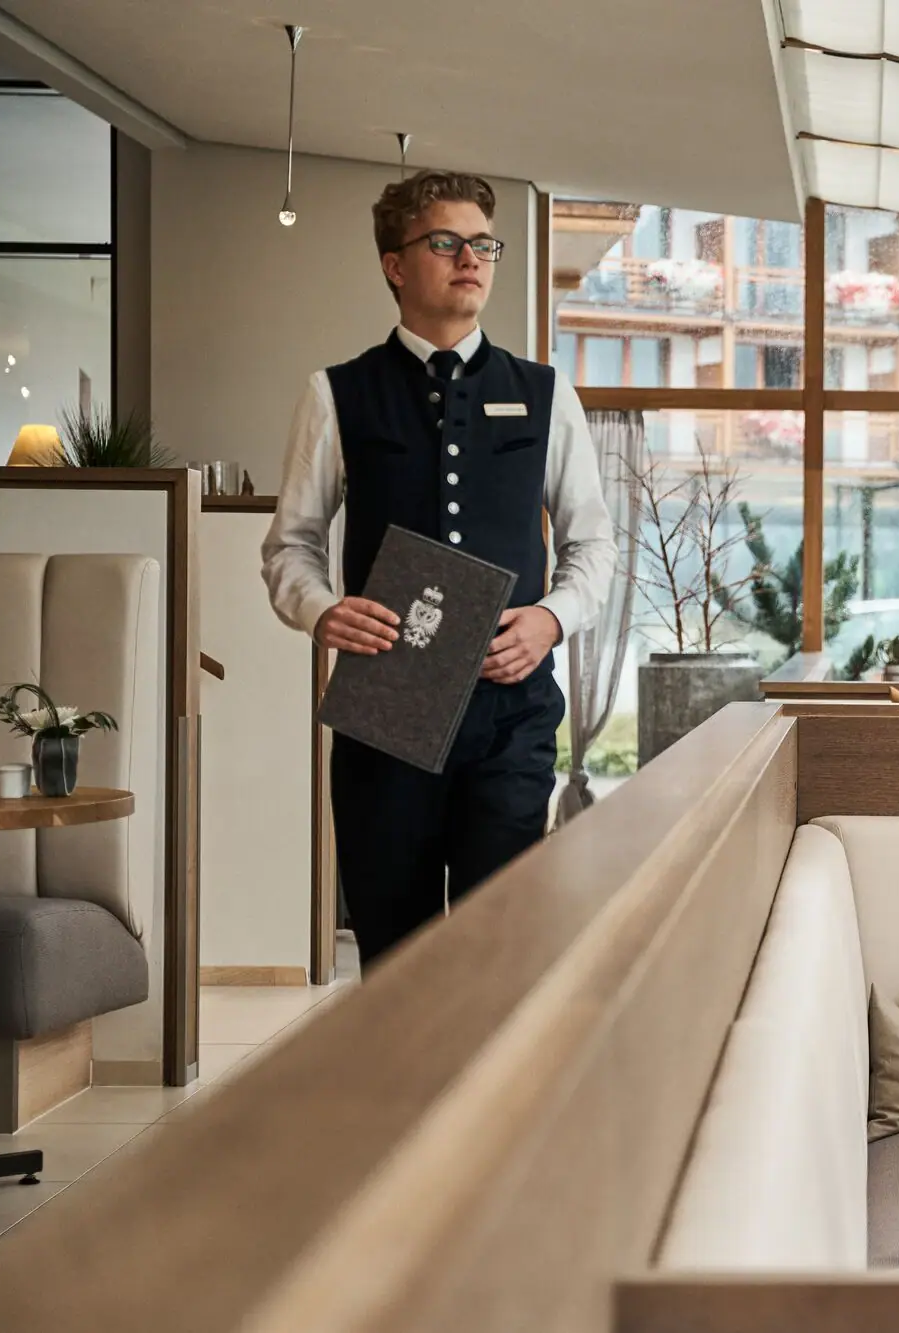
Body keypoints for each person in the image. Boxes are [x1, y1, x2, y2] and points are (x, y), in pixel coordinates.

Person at [262, 169, 614, 967]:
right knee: (397, 955)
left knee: (504, 945)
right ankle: (402, 1095)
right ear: (395, 263)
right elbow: (291, 543)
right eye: (446, 242)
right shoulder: (336, 393)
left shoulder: (545, 393)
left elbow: (595, 544)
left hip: (512, 709)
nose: (472, 259)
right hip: (385, 709)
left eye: (483, 243)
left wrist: (551, 617)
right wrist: (320, 609)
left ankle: (497, 1096)